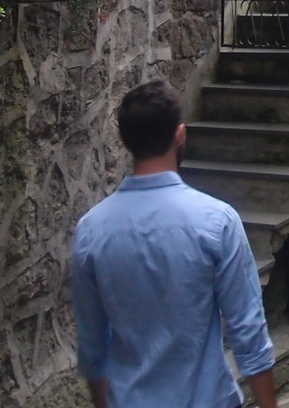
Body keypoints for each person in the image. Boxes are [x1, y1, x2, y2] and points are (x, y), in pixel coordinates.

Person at [71, 81, 278, 408]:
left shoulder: (90, 232)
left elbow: (93, 346)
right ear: (179, 135)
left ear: (124, 140)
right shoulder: (217, 222)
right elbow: (247, 331)